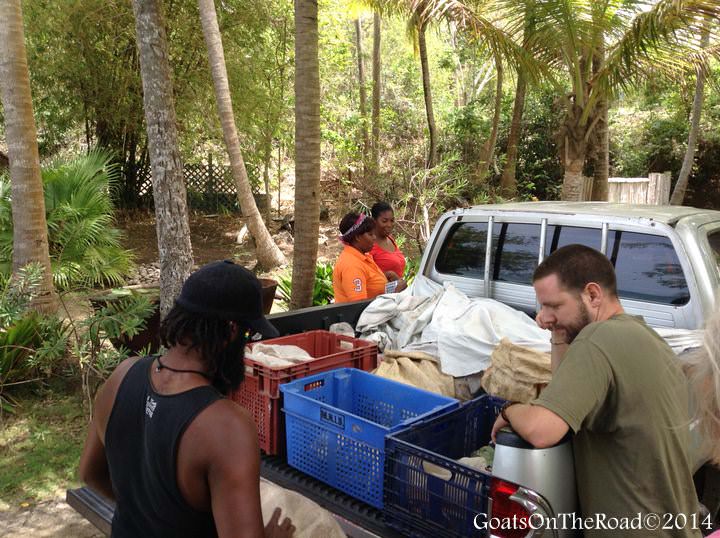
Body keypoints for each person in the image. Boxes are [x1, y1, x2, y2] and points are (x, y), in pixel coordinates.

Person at [490, 244, 700, 537]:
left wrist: (508, 409)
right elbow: (566, 389)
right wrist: (557, 331)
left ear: (592, 294)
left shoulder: (596, 339)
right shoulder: (646, 338)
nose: (543, 316)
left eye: (553, 305)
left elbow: (542, 430)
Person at [79, 260, 295, 538]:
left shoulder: (123, 374)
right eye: (247, 335)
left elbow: (89, 473)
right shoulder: (227, 426)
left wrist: (145, 515)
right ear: (230, 332)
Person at [332, 211, 406, 303]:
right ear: (358, 237)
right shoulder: (352, 265)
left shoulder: (363, 256)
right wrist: (394, 293)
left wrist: (384, 279)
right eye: (370, 234)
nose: (374, 238)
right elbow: (358, 307)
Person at [370, 202, 406, 279]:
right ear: (374, 221)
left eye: (392, 220)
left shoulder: (390, 239)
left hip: (400, 289)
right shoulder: (369, 246)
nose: (389, 225)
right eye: (384, 221)